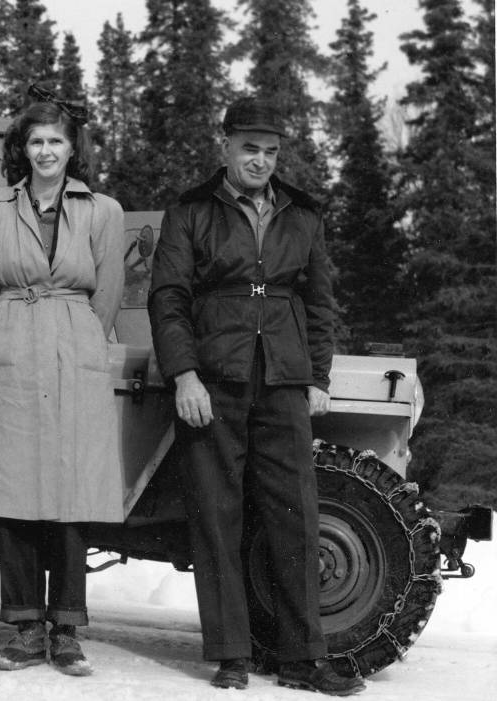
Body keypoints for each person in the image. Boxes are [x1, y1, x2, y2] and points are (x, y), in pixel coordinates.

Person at [148, 97, 364, 696]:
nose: (260, 161)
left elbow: (320, 303)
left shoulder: (303, 214)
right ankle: (231, 655)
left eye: (270, 151)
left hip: (284, 382)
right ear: (225, 146)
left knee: (296, 516)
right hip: (213, 381)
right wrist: (184, 375)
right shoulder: (191, 211)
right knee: (217, 516)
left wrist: (317, 378)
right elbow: (168, 298)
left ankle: (303, 658)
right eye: (250, 149)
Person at [0, 86, 125, 677]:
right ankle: (26, 628)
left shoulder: (103, 210)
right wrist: (6, 333)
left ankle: (68, 630)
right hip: (11, 341)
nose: (46, 151)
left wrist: (76, 334)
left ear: (73, 148)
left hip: (75, 344)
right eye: (36, 141)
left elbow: (108, 293)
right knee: (13, 487)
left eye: (56, 141)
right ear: (21, 149)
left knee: (72, 488)